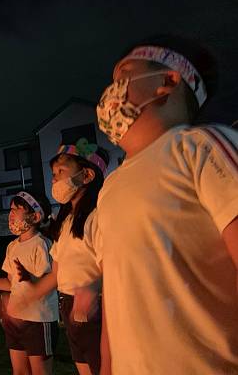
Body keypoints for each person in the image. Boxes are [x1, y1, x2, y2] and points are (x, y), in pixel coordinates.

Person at [94, 35, 238, 374]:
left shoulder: (201, 146)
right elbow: (115, 293)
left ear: (168, 81)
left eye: (123, 75)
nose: (110, 91)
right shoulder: (110, 187)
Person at [9, 141, 109, 375]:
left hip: (96, 308)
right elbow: (56, 274)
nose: (54, 179)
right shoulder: (65, 223)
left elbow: (113, 266)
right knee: (84, 367)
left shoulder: (98, 217)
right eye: (53, 174)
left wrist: (91, 291)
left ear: (87, 175)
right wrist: (26, 298)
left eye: (61, 171)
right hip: (70, 307)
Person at [0, 192, 59, 375]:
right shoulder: (12, 246)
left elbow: (50, 281)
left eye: (17, 209)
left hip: (39, 320)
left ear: (35, 216)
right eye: (10, 209)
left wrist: (30, 282)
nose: (11, 213)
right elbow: (10, 283)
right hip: (15, 319)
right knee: (19, 371)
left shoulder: (42, 244)